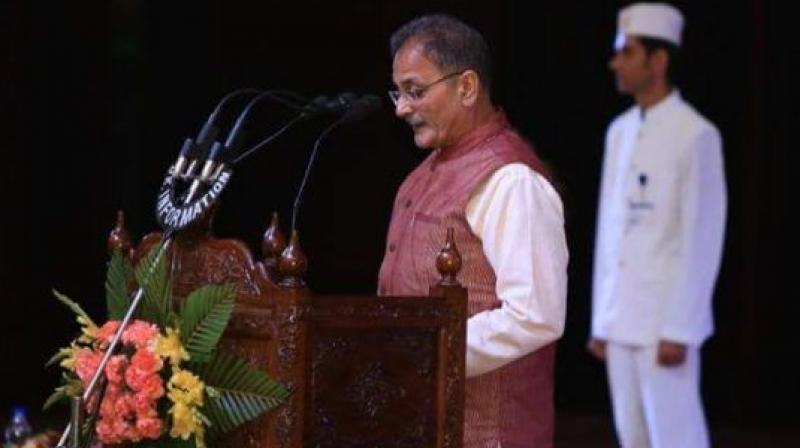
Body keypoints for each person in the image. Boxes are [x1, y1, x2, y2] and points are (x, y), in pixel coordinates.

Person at [377, 14, 568, 447]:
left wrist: (427, 349)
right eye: (398, 92)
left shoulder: (511, 180)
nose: (401, 108)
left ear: (466, 87)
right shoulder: (422, 174)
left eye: (415, 91)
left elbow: (535, 315)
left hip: (487, 434)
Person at [588, 3, 727, 448]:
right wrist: (601, 318)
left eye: (626, 52)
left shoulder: (696, 134)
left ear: (658, 60)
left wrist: (681, 328)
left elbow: (702, 237)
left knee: (676, 437)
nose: (616, 63)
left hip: (663, 321)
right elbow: (609, 232)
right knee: (632, 437)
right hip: (621, 314)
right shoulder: (619, 131)